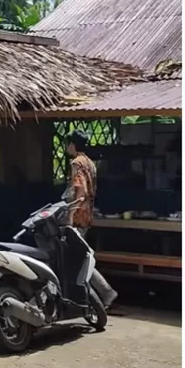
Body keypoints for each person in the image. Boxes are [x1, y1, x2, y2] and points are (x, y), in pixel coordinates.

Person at [62, 130, 118, 308]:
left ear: (73, 144)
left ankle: (103, 292)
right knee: (80, 255)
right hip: (88, 215)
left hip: (78, 215)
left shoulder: (77, 163)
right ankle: (93, 294)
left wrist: (70, 215)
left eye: (68, 143)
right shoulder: (91, 164)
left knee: (79, 257)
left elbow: (81, 190)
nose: (67, 147)